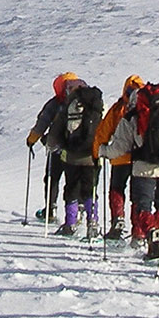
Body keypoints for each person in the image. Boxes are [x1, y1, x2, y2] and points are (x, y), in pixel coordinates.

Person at [98, 77, 159, 260]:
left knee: (143, 207)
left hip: (143, 168)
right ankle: (158, 244)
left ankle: (151, 233)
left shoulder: (132, 116)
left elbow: (119, 147)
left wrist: (103, 151)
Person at [33, 74, 104, 237]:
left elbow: (55, 129)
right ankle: (92, 223)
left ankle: (69, 223)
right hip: (93, 156)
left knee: (70, 188)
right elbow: (106, 126)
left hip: (71, 155)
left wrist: (49, 144)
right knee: (90, 190)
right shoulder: (97, 103)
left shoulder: (66, 104)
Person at [92, 75, 144, 241]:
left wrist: (98, 152)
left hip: (119, 157)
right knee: (138, 196)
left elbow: (103, 132)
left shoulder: (118, 108)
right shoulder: (146, 107)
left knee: (117, 190)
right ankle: (139, 231)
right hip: (141, 159)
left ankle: (117, 222)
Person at [24, 73, 78, 222]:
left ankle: (50, 209)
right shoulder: (83, 102)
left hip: (57, 148)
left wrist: (31, 140)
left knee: (52, 178)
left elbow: (42, 123)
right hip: (77, 150)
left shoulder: (55, 103)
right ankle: (75, 213)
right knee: (73, 181)